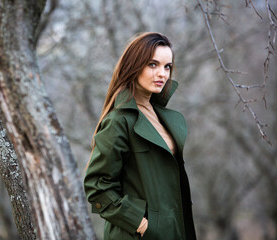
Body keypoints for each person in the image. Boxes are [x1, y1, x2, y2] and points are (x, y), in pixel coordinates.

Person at [83, 32, 196, 240]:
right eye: (153, 64)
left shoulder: (161, 116)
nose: (162, 73)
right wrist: (142, 224)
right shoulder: (119, 120)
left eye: (167, 66)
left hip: (175, 230)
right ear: (135, 66)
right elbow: (97, 186)